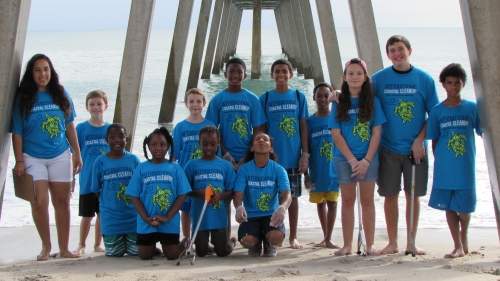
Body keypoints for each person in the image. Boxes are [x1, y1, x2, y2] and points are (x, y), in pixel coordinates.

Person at [372, 35, 439, 255]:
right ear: (388, 54)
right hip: (388, 148)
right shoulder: (378, 79)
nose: (397, 54)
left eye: (400, 49)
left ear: (409, 50)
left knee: (413, 196)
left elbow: (434, 116)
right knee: (390, 196)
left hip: (415, 150)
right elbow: (359, 99)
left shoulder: (424, 80)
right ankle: (392, 242)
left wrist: (420, 140)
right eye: (392, 50)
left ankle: (411, 242)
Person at [11, 54, 81, 261]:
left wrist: (77, 153)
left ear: (51, 71)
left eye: (46, 69)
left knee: (62, 202)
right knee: (39, 202)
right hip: (32, 157)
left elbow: (69, 125)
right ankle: (45, 247)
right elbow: (17, 131)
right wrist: (19, 161)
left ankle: (64, 248)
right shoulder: (23, 98)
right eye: (38, 70)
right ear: (31, 73)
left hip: (60, 155)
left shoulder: (60, 94)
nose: (43, 74)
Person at [329, 58, 386, 256]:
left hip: (368, 158)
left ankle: (369, 245)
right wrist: (353, 160)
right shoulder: (337, 101)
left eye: (359, 73)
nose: (354, 77)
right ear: (344, 77)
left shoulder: (373, 101)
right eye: (350, 73)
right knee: (347, 200)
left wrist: (366, 161)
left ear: (365, 76)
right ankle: (347, 245)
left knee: (368, 201)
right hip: (344, 159)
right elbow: (336, 134)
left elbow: (377, 132)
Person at [427, 63, 481, 258]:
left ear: (463, 84)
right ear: (443, 85)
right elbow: (434, 140)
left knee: (465, 207)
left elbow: (484, 131)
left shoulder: (472, 108)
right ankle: (457, 245)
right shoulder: (437, 111)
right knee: (449, 205)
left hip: (466, 164)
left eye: (457, 83)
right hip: (445, 165)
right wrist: (441, 160)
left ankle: (463, 237)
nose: (453, 87)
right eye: (449, 83)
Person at [260, 59, 309, 249]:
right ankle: (271, 233)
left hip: (293, 156)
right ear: (272, 75)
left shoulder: (298, 97)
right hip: (273, 159)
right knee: (271, 197)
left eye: (284, 71)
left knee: (293, 198)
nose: (281, 74)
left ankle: (293, 237)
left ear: (291, 74)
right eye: (277, 71)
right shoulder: (265, 98)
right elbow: (262, 129)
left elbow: (303, 126)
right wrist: (267, 152)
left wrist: (305, 154)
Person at [126, 127, 190, 260]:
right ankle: (152, 246)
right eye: (154, 144)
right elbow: (134, 196)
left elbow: (182, 195)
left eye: (162, 144)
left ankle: (185, 243)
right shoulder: (141, 168)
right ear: (148, 146)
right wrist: (145, 218)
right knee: (145, 256)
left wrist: (167, 217)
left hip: (169, 221)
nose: (158, 148)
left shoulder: (175, 168)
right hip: (146, 221)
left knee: (172, 255)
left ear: (168, 146)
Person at [233, 132, 292, 257]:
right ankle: (256, 242)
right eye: (257, 139)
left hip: (272, 216)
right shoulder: (244, 169)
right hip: (250, 217)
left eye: (265, 139)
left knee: (276, 237)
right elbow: (238, 194)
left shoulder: (278, 169)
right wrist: (238, 207)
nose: (261, 140)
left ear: (271, 148)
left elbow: (287, 194)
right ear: (252, 148)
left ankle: (269, 243)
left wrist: (282, 208)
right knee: (247, 241)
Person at [205, 57, 266, 170]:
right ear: (225, 74)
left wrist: (247, 155)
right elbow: (211, 131)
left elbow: (259, 130)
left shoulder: (252, 99)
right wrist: (225, 153)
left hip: (247, 156)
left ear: (245, 75)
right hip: (223, 157)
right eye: (231, 71)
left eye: (239, 72)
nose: (235, 75)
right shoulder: (217, 100)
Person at [184, 127, 236, 257]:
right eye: (205, 144)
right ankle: (206, 245)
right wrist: (200, 193)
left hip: (218, 217)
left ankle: (232, 242)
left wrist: (220, 196)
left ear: (218, 144)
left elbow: (231, 191)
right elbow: (185, 190)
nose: (208, 148)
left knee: (223, 252)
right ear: (199, 144)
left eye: (212, 144)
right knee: (201, 252)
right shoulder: (191, 165)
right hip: (200, 217)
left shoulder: (226, 165)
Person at [90, 124, 140, 257]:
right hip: (111, 218)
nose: (117, 140)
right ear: (106, 140)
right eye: (112, 137)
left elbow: (141, 187)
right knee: (114, 254)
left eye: (121, 136)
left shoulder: (133, 160)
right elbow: (95, 190)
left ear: (126, 139)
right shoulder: (100, 162)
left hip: (132, 218)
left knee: (135, 253)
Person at [173, 88, 214, 240]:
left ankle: (203, 237)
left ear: (204, 103)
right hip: (186, 173)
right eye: (191, 101)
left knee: (203, 204)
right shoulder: (180, 127)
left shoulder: (210, 125)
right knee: (186, 207)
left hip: (205, 171)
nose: (195, 104)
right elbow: (174, 154)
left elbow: (216, 150)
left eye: (198, 101)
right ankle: (187, 237)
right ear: (186, 103)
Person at [75, 89, 110, 255]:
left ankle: (97, 244)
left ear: (106, 106)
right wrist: (72, 178)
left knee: (102, 214)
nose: (96, 107)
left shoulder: (110, 129)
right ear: (87, 107)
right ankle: (81, 244)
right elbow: (74, 153)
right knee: (87, 215)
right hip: (87, 178)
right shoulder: (81, 128)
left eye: (99, 104)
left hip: (105, 180)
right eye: (92, 104)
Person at [305, 82, 339, 248]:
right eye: (319, 95)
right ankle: (325, 236)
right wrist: (306, 174)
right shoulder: (310, 122)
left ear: (331, 97)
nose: (323, 99)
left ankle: (329, 237)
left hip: (334, 170)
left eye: (326, 95)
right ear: (314, 98)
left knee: (332, 202)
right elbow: (306, 149)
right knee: (320, 203)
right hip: (317, 170)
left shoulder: (337, 118)